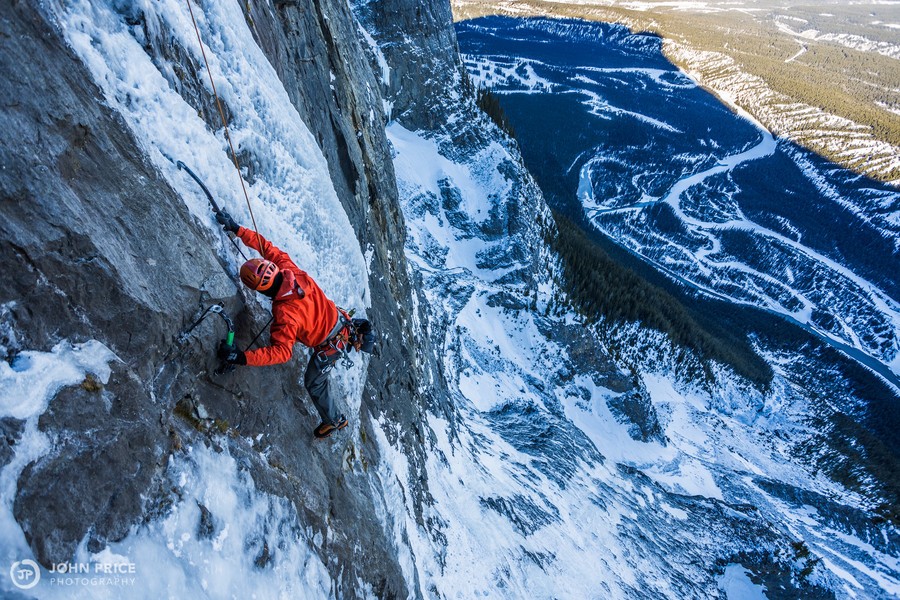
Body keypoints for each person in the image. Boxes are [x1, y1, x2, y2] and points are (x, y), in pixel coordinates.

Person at [214, 210, 375, 438]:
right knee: (315, 374)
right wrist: (238, 229)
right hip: (339, 322)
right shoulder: (291, 270)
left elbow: (281, 353)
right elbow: (269, 249)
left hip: (330, 344)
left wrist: (242, 357)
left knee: (314, 383)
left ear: (262, 289)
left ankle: (335, 420)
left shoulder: (286, 314)